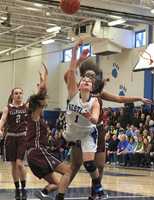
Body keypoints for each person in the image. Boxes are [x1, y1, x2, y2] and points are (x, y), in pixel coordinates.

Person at [67, 46, 152, 199]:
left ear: (96, 79)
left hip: (97, 131)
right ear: (83, 78)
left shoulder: (100, 93)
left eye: (93, 76)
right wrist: (77, 58)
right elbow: (69, 75)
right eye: (87, 75)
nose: (90, 78)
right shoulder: (77, 92)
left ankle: (95, 193)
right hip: (80, 131)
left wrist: (139, 98)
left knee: (100, 165)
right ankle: (60, 191)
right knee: (75, 166)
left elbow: (120, 99)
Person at [55, 42, 106, 200]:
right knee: (54, 152)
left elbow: (96, 117)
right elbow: (71, 71)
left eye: (88, 82)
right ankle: (54, 188)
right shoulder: (73, 93)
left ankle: (99, 188)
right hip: (70, 132)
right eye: (83, 79)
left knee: (89, 163)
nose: (85, 81)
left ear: (91, 88)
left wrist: (92, 117)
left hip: (87, 134)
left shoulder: (94, 101)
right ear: (79, 84)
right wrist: (76, 52)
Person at [26, 64, 72, 200]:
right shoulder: (34, 116)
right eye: (44, 100)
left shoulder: (36, 116)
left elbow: (40, 95)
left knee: (57, 184)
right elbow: (40, 93)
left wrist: (43, 80)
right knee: (69, 172)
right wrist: (44, 80)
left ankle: (43, 194)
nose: (47, 101)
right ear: (39, 104)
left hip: (33, 156)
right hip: (38, 152)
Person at [0, 89, 28, 200]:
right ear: (12, 95)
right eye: (16, 93)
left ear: (22, 95)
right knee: (13, 165)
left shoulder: (26, 107)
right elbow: (2, 120)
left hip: (22, 137)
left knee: (20, 164)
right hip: (10, 137)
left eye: (20, 93)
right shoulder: (8, 108)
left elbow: (38, 98)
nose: (18, 95)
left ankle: (24, 188)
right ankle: (17, 189)